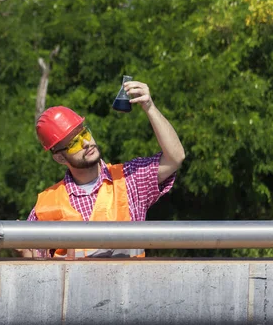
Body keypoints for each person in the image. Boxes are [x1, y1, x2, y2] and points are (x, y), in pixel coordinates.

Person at [20, 80, 185, 259]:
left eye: (84, 133)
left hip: (129, 285)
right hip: (75, 288)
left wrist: (150, 107)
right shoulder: (45, 205)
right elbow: (35, 263)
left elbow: (175, 157)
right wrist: (26, 252)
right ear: (59, 157)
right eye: (74, 143)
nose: (86, 143)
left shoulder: (129, 179)